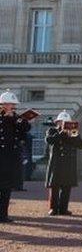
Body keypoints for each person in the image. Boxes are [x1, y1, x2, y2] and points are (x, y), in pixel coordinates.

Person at [0, 90, 34, 222]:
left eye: (14, 105)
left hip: (10, 158)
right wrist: (5, 117)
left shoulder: (16, 118)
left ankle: (3, 215)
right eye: (10, 104)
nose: (13, 107)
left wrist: (16, 118)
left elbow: (25, 129)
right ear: (3, 105)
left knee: (6, 187)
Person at [45, 110, 82, 216]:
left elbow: (81, 145)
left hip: (69, 162)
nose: (63, 124)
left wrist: (75, 136)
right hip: (57, 162)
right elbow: (50, 141)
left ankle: (63, 208)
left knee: (66, 187)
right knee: (55, 186)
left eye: (66, 122)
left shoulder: (73, 133)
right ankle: (53, 208)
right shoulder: (52, 131)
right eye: (61, 122)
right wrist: (61, 133)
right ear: (58, 122)